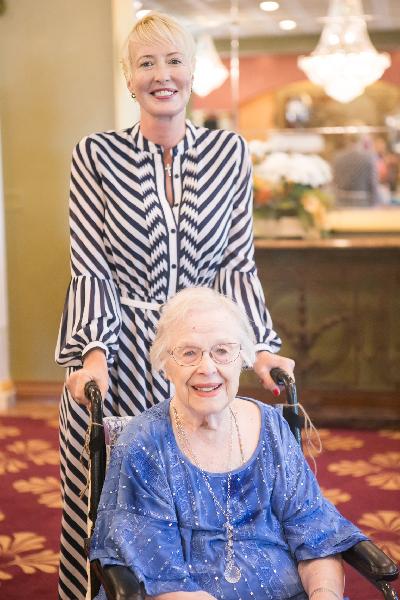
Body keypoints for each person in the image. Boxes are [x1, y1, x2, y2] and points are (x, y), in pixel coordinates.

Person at [55, 12, 294, 599]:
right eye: (146, 63)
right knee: (113, 503)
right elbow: (90, 265)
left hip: (201, 358)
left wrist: (261, 349)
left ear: (192, 72)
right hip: (121, 352)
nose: (162, 75)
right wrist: (93, 356)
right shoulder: (94, 155)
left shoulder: (228, 152)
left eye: (174, 61)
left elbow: (236, 263)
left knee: (201, 498)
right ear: (128, 78)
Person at [90, 287, 367, 600]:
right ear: (165, 365)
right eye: (189, 353)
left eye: (222, 351)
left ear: (243, 359)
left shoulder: (271, 427)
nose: (207, 368)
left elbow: (316, 534)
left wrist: (324, 594)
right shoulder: (144, 444)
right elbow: (162, 579)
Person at [332, 133, 384, 207]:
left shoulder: (337, 157)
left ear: (347, 140)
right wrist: (377, 202)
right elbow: (373, 183)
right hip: (362, 203)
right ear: (361, 141)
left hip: (340, 201)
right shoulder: (368, 158)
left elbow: (334, 181)